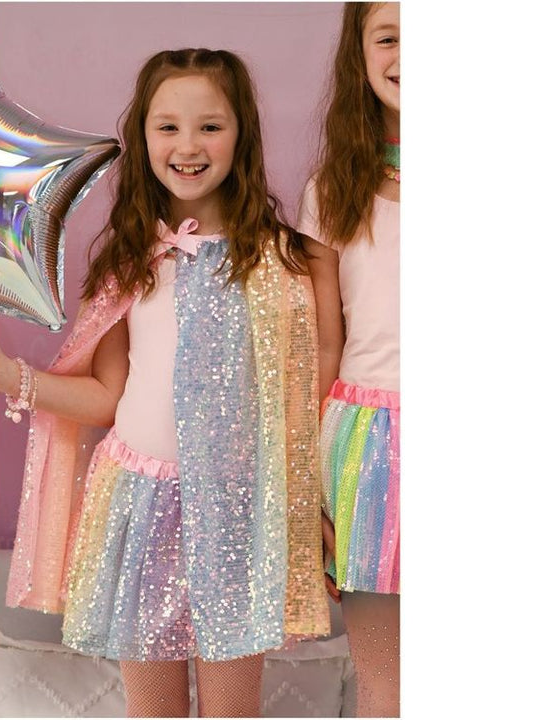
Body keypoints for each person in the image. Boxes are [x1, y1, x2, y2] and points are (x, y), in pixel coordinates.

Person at [0, 48, 331, 718]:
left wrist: (316, 504)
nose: (188, 146)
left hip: (237, 512)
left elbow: (311, 393)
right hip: (139, 502)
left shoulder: (287, 262)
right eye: (167, 126)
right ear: (143, 135)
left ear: (242, 134)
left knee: (232, 710)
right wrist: (11, 376)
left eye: (211, 126)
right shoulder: (129, 262)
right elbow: (105, 397)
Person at [297, 3, 401, 717]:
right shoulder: (332, 191)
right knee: (385, 685)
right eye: (390, 37)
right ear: (358, 55)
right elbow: (324, 345)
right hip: (364, 446)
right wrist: (309, 489)